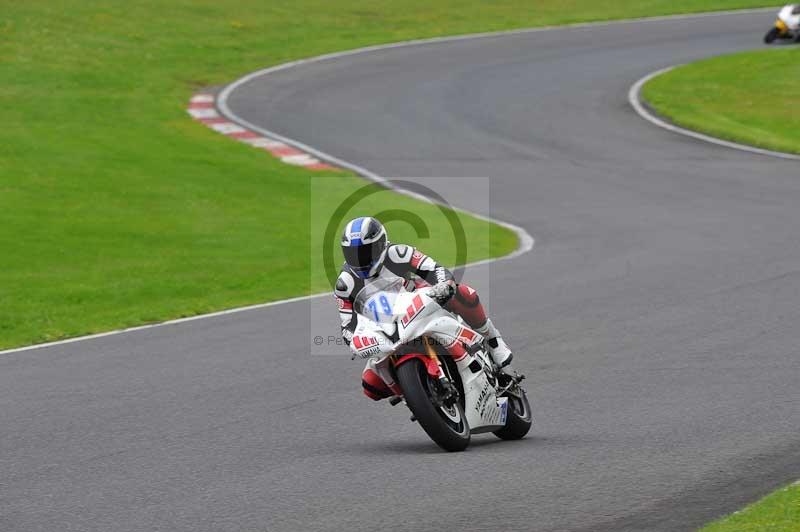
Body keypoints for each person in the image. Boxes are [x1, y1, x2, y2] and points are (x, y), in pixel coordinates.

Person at [333, 216, 515, 401]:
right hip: (385, 326)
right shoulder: (345, 283)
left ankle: (492, 340)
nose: (360, 259)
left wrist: (444, 284)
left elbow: (435, 269)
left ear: (380, 245)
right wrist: (355, 341)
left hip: (419, 301)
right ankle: (415, 395)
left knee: (462, 292)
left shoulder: (398, 253)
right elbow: (347, 325)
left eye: (365, 252)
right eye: (353, 254)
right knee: (370, 384)